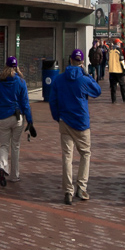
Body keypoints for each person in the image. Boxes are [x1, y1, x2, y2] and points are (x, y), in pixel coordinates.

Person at [46, 48, 101, 204]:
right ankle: (81, 187)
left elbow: (52, 100)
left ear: (70, 60)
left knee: (67, 157)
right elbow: (97, 91)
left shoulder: (59, 79)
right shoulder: (83, 79)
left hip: (65, 121)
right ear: (82, 62)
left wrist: (57, 117)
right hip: (82, 122)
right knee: (85, 153)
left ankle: (68, 191)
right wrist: (87, 74)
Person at [0, 56, 35, 186]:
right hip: (17, 118)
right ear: (17, 67)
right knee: (15, 146)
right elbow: (25, 103)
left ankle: (2, 166)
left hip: (3, 117)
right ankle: (14, 175)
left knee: (4, 145)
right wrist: (30, 120)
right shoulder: (21, 82)